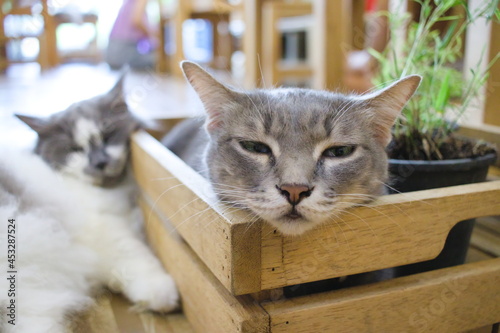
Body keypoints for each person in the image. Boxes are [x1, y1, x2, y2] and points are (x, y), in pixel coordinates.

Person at [106, 0, 157, 70]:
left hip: (110, 52)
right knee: (157, 59)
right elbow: (136, 21)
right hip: (122, 51)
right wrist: (154, 35)